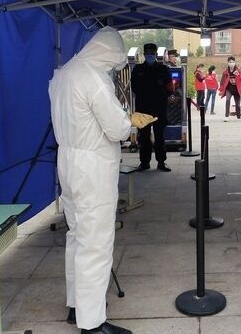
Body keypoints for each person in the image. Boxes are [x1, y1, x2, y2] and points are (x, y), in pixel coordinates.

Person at [49, 27, 156, 334]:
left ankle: (76, 305)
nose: (113, 68)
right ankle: (92, 323)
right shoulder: (94, 78)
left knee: (77, 235)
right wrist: (129, 120)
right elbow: (117, 130)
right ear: (108, 55)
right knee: (95, 244)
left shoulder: (63, 74)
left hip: (68, 161)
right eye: (114, 62)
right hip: (92, 167)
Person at [131, 43, 173, 172]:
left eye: (152, 53)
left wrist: (160, 97)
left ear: (156, 54)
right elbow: (134, 87)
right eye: (147, 53)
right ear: (144, 54)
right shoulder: (138, 69)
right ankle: (144, 163)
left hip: (159, 108)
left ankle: (161, 162)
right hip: (143, 108)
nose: (149, 55)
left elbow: (170, 88)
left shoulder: (163, 69)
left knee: (159, 136)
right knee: (143, 137)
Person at [218, 56, 241, 121]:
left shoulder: (238, 70)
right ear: (228, 63)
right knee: (227, 100)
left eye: (232, 62)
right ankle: (226, 116)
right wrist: (221, 90)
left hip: (237, 89)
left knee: (237, 104)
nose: (231, 63)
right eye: (230, 62)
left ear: (235, 62)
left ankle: (238, 115)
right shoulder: (225, 72)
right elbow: (222, 81)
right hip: (229, 89)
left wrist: (238, 74)